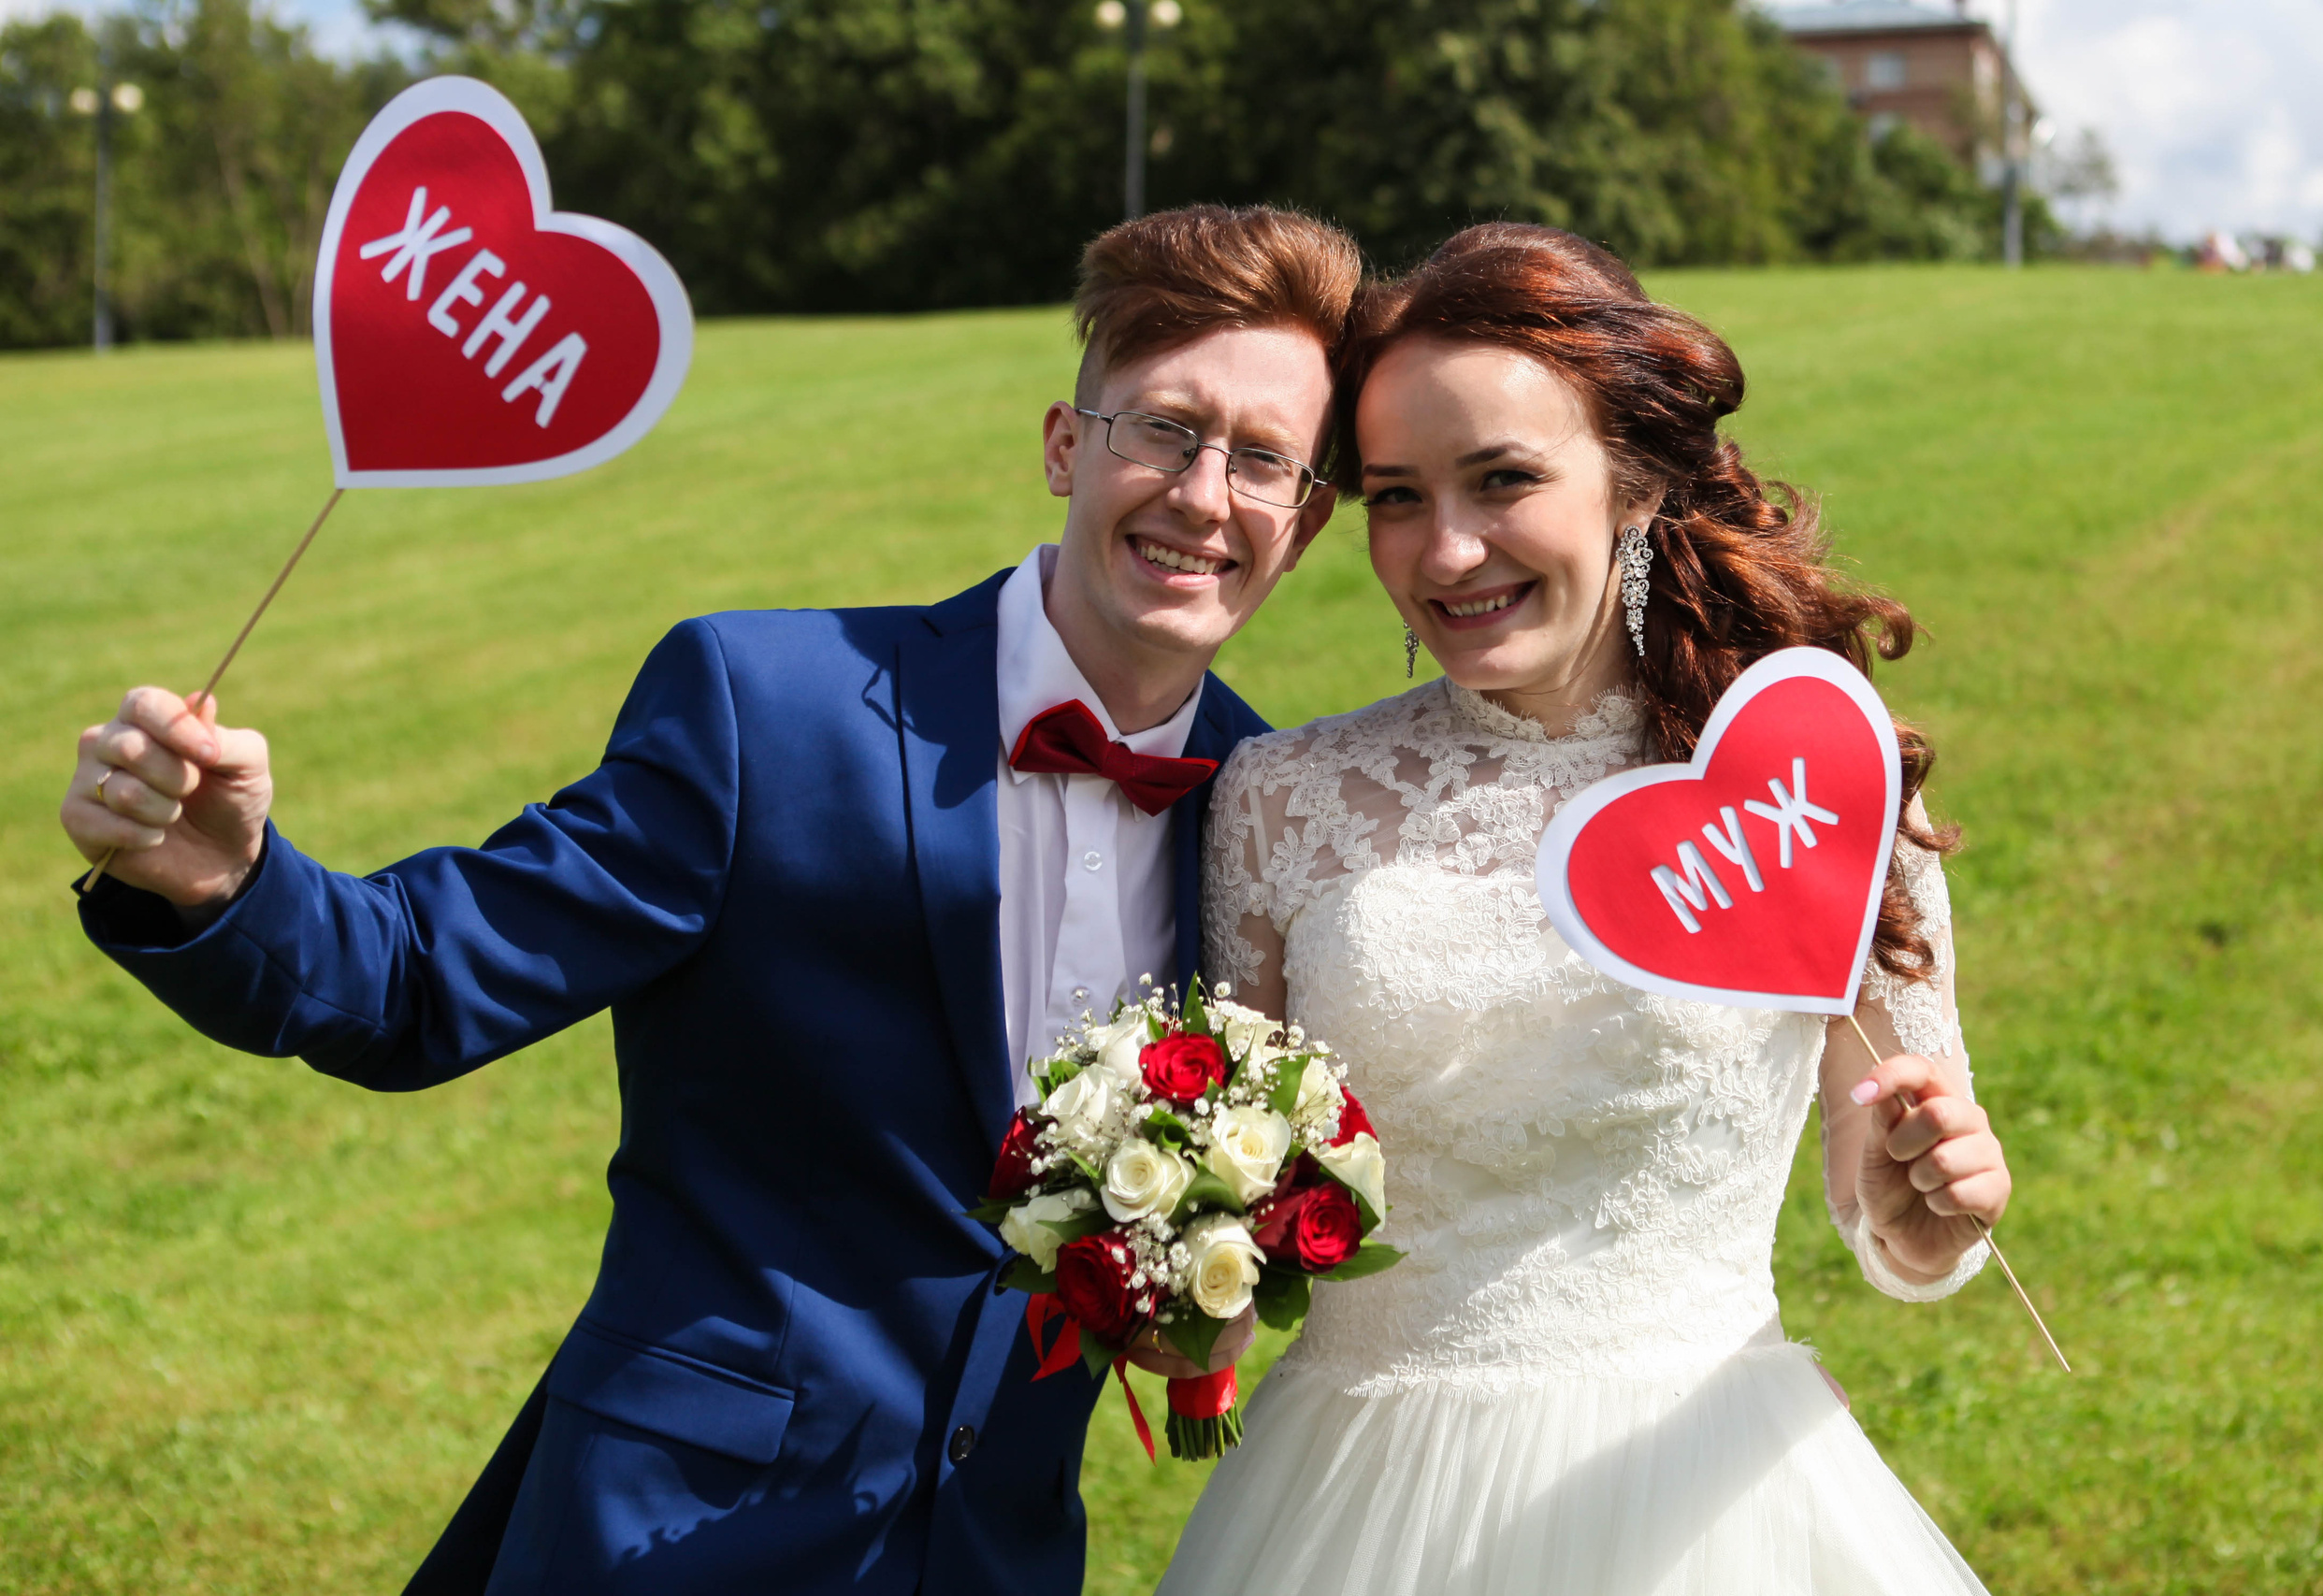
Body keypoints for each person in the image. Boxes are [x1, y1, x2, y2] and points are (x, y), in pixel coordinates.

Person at [57, 204, 1358, 1596]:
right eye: (1161, 427)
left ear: (1305, 521)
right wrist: (227, 881)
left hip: (996, 1555)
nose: (1202, 492)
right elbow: (421, 981)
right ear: (1065, 446)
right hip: (677, 1533)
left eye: (1260, 458)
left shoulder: (1265, 805)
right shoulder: (769, 710)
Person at [1164, 223, 2012, 1595]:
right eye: (1395, 496)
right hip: (1358, 1509)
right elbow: (1237, 1197)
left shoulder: (1816, 787)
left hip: (1697, 1494)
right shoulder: (1279, 799)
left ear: (1634, 482)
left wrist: (1931, 1219)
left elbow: (1890, 1213)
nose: (1447, 551)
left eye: (1503, 480)